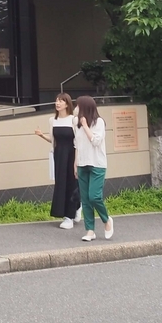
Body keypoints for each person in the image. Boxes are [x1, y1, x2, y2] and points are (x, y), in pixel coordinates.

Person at [34, 93, 82, 229]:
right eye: (56, 100)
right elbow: (54, 141)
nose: (57, 103)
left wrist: (76, 162)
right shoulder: (52, 120)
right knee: (61, 184)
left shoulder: (73, 120)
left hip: (72, 154)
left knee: (72, 183)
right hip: (59, 155)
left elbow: (78, 141)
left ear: (67, 104)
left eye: (61, 101)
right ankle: (73, 209)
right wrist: (42, 135)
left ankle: (69, 217)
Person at [74, 95, 112, 241]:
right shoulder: (76, 123)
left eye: (78, 106)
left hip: (97, 164)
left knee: (94, 196)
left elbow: (96, 141)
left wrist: (85, 126)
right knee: (85, 199)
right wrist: (75, 163)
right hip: (82, 164)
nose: (76, 109)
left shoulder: (99, 122)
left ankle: (106, 219)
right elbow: (76, 143)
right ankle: (90, 230)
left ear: (85, 107)